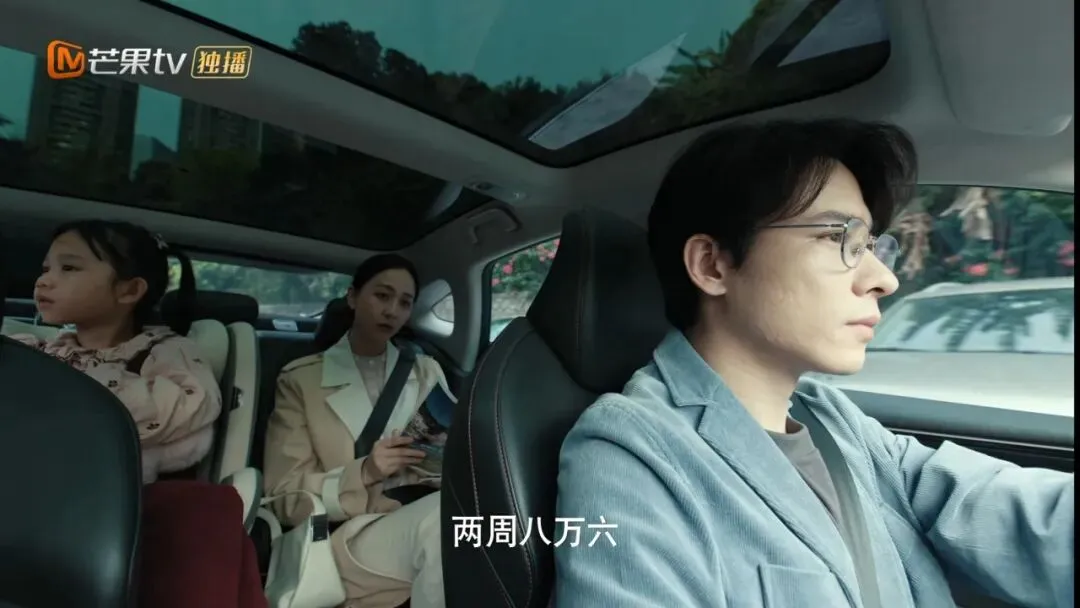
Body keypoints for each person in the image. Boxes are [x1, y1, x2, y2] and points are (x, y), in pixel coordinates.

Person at [553, 120, 1074, 608]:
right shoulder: (633, 452)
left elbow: (1014, 515)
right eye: (837, 237)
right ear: (713, 265)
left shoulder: (835, 422)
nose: (884, 279)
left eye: (871, 245)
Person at [264, 253, 453, 608]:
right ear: (352, 297)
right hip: (347, 536)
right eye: (382, 295)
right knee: (444, 522)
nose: (392, 311)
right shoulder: (302, 379)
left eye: (404, 303)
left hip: (418, 509)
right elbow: (283, 497)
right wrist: (364, 472)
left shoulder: (426, 371)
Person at [8, 220, 222, 483]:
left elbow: (190, 406)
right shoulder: (43, 350)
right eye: (45, 269)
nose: (43, 281)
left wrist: (80, 390)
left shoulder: (164, 351)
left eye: (69, 268)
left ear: (129, 290)